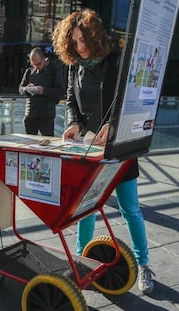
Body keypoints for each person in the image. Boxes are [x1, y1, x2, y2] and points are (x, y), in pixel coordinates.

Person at [52, 9, 154, 294]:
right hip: (88, 148)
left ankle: (143, 265)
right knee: (85, 210)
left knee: (130, 208)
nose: (78, 47)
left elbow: (130, 98)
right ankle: (81, 260)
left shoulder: (116, 61)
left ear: (94, 38)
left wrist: (113, 124)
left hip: (119, 148)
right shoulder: (74, 64)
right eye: (73, 42)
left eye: (82, 41)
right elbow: (71, 99)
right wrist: (72, 122)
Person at [18, 47, 65, 136]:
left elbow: (60, 93)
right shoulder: (29, 71)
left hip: (46, 116)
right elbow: (20, 89)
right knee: (30, 144)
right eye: (33, 64)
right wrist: (27, 89)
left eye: (38, 64)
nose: (36, 67)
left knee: (47, 142)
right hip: (30, 114)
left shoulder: (53, 70)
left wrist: (43, 91)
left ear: (44, 60)